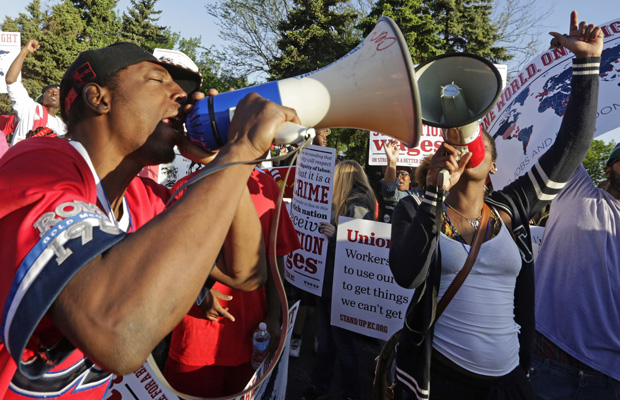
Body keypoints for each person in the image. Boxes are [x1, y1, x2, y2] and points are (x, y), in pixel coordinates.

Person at [0, 42, 300, 399]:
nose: (181, 96)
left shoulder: (143, 200)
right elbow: (118, 337)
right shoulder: (38, 164)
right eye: (158, 80)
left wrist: (227, 161)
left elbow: (245, 274)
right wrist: (240, 150)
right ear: (99, 98)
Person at [388, 12, 602, 400]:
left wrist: (586, 63)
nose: (470, 142)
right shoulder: (413, 208)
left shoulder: (511, 209)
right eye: (458, 139)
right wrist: (435, 193)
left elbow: (571, 148)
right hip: (440, 380)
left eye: (481, 141)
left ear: (494, 165)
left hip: (508, 384)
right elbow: (407, 273)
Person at [164, 167, 301, 397]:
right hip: (197, 340)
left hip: (253, 339)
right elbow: (164, 260)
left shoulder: (266, 187)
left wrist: (274, 316)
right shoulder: (186, 186)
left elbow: (276, 257)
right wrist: (198, 295)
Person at [530, 143, 620, 399]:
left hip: (611, 374)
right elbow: (568, 139)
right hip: (550, 356)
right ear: (608, 168)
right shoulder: (577, 192)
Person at [301, 160, 377, 400]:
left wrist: (336, 236)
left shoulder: (358, 203)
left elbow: (360, 247)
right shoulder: (339, 201)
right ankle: (320, 385)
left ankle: (350, 393)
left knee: (342, 344)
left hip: (341, 287)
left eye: (335, 176)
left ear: (343, 178)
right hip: (327, 283)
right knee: (327, 341)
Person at [5, 39, 67, 146]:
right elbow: (11, 80)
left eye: (58, 93)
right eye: (50, 92)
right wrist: (25, 51)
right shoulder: (29, 108)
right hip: (22, 161)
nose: (54, 93)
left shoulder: (62, 126)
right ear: (41, 99)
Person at [380, 140, 422, 223]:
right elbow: (389, 189)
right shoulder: (395, 195)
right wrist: (392, 161)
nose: (399, 177)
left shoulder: (419, 193)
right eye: (396, 174)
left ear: (410, 178)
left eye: (403, 174)